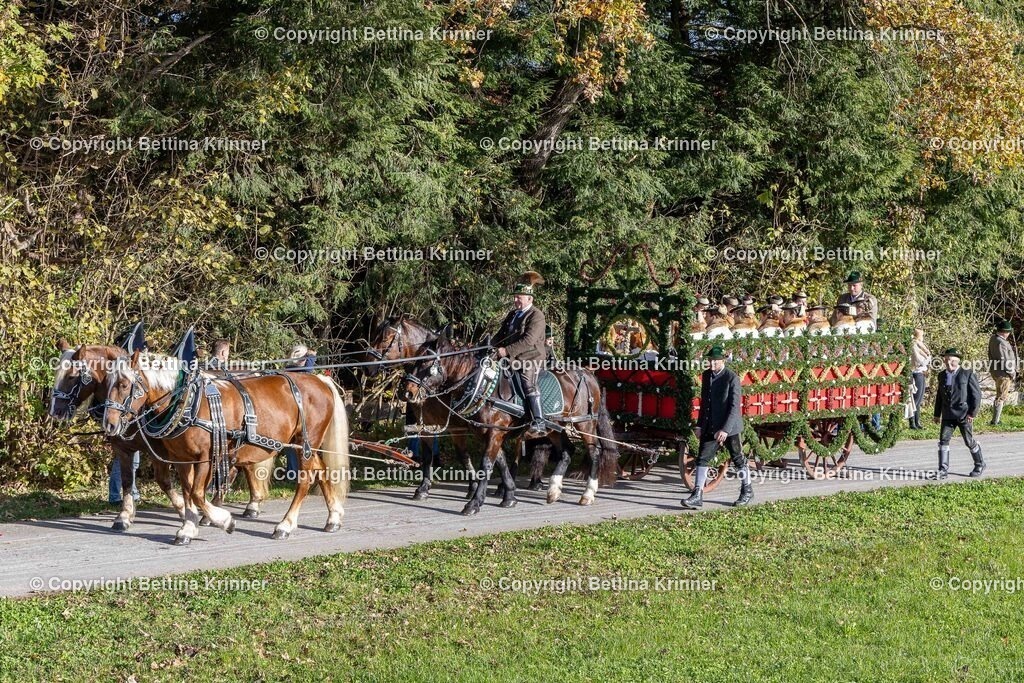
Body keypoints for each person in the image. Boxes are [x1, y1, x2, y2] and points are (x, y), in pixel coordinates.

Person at [681, 345, 753, 509]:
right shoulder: (706, 375)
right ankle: (697, 494)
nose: (712, 364)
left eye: (716, 361)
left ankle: (747, 490)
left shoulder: (731, 378)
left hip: (730, 427)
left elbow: (734, 407)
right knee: (702, 458)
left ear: (723, 361)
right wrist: (700, 425)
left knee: (737, 458)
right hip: (710, 424)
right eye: (710, 361)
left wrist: (725, 429)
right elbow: (704, 402)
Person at [493, 271, 548, 437]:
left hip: (531, 357)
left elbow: (528, 340)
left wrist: (506, 351)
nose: (515, 300)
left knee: (527, 381)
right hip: (512, 357)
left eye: (519, 297)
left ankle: (539, 422)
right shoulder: (513, 314)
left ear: (529, 299)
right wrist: (487, 346)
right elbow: (500, 335)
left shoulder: (537, 316)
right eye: (515, 297)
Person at [109, 321, 146, 505]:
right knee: (124, 460)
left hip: (129, 421)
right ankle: (116, 495)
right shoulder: (120, 373)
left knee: (132, 461)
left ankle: (131, 493)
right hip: (122, 421)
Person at [933, 348, 984, 479]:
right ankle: (942, 470)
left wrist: (972, 413)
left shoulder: (967, 373)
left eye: (951, 361)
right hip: (948, 414)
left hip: (964, 414)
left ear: (958, 361)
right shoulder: (942, 375)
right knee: (943, 441)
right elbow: (939, 396)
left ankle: (979, 464)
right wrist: (937, 414)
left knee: (969, 441)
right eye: (946, 360)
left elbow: (976, 395)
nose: (948, 363)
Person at [987, 320, 1018, 425]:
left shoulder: (993, 338)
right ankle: (995, 421)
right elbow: (1004, 360)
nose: (1009, 334)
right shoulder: (1001, 342)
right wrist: (1012, 372)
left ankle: (995, 420)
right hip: (1003, 373)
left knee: (1000, 395)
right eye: (1008, 332)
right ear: (1005, 331)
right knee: (1001, 396)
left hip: (997, 371)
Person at [909, 329, 931, 430]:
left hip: (921, 373)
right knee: (916, 399)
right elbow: (920, 361)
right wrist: (928, 358)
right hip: (916, 372)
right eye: (922, 335)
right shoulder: (914, 345)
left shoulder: (920, 344)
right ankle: (912, 423)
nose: (923, 337)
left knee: (919, 398)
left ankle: (917, 422)